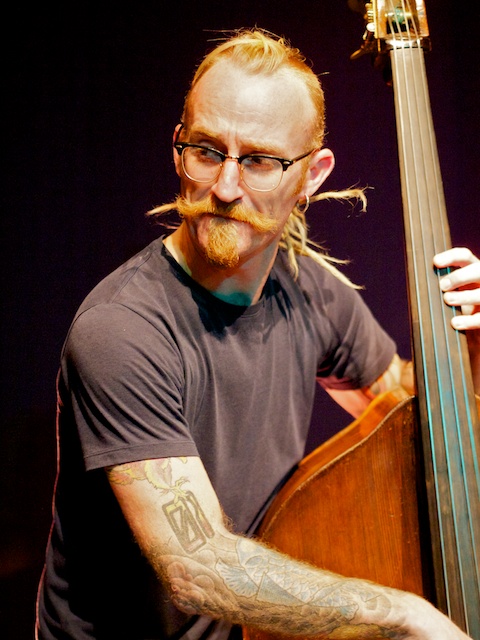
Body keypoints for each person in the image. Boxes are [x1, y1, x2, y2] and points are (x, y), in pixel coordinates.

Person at [36, 28, 479, 640]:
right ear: (178, 148)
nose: (225, 188)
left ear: (312, 175)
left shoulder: (309, 291)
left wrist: (470, 349)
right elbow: (199, 569)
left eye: (260, 162)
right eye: (207, 151)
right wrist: (405, 614)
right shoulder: (121, 330)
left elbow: (412, 423)